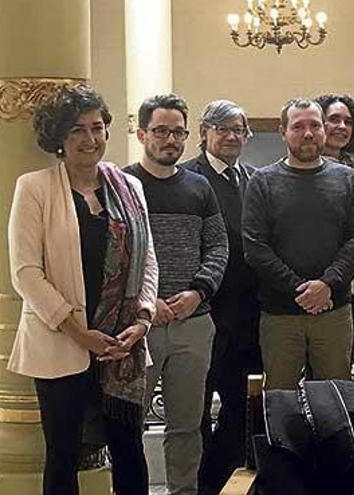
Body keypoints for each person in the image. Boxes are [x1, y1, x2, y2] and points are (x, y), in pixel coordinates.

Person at [7, 85, 157, 495]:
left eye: (97, 128)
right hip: (61, 344)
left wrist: (142, 320)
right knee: (63, 455)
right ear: (58, 137)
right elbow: (25, 273)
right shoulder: (34, 187)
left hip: (120, 346)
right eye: (77, 130)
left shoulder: (130, 188)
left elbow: (148, 260)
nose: (90, 139)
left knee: (130, 450)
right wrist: (78, 333)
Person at [125, 94, 229, 495]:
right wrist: (148, 305)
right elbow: (116, 254)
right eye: (161, 131)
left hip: (193, 323)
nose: (170, 139)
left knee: (187, 425)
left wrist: (197, 291)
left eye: (178, 132)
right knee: (128, 423)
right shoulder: (122, 185)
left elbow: (218, 246)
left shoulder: (200, 188)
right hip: (139, 326)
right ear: (141, 133)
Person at [242, 98, 354, 391]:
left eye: (314, 125)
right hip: (280, 313)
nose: (308, 133)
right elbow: (255, 247)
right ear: (283, 131)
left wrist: (326, 286)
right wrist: (301, 290)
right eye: (298, 126)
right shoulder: (262, 182)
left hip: (334, 311)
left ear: (324, 130)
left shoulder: (348, 180)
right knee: (280, 401)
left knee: (335, 401)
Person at [180, 99, 262, 495]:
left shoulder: (252, 179)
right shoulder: (188, 179)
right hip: (203, 313)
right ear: (204, 133)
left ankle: (225, 481)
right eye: (223, 128)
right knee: (195, 410)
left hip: (247, 318)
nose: (232, 136)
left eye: (238, 129)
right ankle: (201, 484)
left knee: (238, 408)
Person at [313, 93, 354, 363]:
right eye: (333, 120)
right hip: (315, 283)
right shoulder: (302, 169)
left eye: (348, 121)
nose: (341, 126)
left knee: (341, 364)